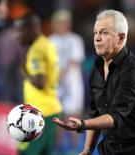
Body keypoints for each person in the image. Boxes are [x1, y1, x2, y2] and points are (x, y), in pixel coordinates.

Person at [52, 9, 135, 155]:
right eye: (95, 33)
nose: (97, 38)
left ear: (121, 38)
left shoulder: (134, 70)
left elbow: (115, 117)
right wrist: (87, 149)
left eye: (104, 33)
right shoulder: (96, 68)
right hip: (112, 147)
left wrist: (82, 124)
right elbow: (95, 113)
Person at [14, 13, 62, 155]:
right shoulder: (47, 44)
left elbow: (40, 82)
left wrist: (24, 71)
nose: (17, 35)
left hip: (38, 114)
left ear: (30, 29)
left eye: (20, 30)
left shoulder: (36, 50)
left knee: (24, 153)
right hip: (50, 110)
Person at [49, 9, 85, 154]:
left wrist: (62, 74)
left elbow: (75, 61)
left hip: (72, 84)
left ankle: (74, 146)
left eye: (66, 21)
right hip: (55, 84)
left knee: (74, 114)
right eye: (61, 22)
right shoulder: (50, 40)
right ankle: (58, 146)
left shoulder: (75, 39)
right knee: (57, 116)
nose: (65, 24)